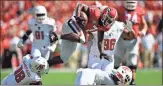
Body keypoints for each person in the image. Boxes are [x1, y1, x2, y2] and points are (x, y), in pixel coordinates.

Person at [114, 1, 148, 85]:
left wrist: (143, 31)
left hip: (133, 40)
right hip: (121, 39)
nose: (130, 3)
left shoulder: (139, 10)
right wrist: (121, 27)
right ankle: (116, 78)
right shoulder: (120, 9)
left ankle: (133, 80)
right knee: (117, 59)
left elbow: (144, 24)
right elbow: (115, 21)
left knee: (132, 60)